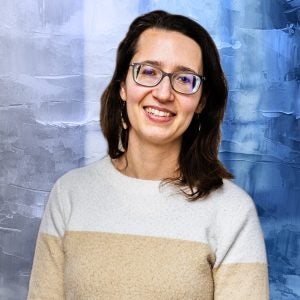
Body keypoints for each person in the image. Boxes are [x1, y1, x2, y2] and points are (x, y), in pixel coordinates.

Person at [27, 10, 269, 299]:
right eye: (149, 72)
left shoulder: (232, 212)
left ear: (201, 100)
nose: (164, 93)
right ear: (123, 88)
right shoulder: (69, 194)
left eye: (184, 78)